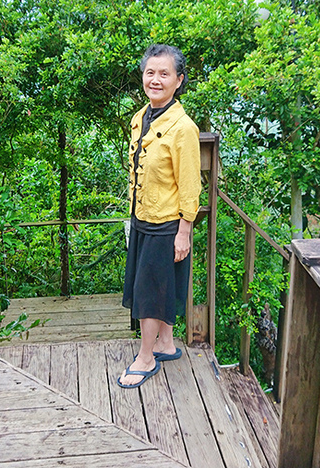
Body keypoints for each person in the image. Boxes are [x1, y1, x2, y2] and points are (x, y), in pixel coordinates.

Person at [119, 44, 200, 389]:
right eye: (150, 72)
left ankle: (146, 358)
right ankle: (165, 344)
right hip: (143, 216)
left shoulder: (183, 128)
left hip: (165, 223)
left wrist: (184, 231)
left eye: (164, 73)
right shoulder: (142, 117)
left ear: (178, 80)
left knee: (149, 292)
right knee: (156, 285)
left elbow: (190, 184)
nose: (155, 79)